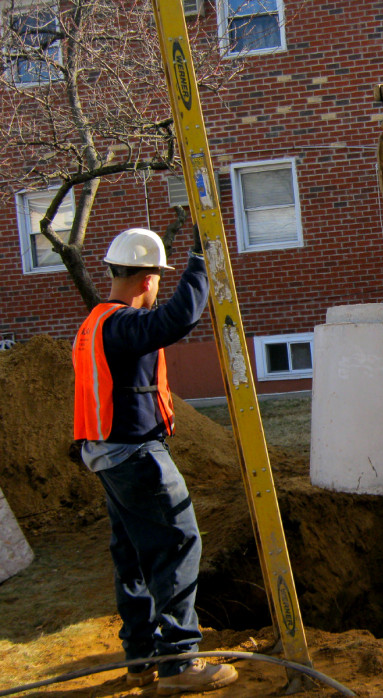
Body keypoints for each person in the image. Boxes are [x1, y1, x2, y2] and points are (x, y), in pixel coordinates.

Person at [72, 227, 238, 695]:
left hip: (107, 455)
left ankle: (141, 658)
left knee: (133, 556)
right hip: (135, 455)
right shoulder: (121, 324)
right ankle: (180, 660)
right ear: (147, 280)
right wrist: (200, 261)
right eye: (159, 280)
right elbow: (176, 319)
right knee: (177, 544)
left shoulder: (93, 324)